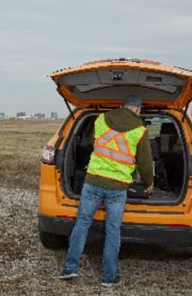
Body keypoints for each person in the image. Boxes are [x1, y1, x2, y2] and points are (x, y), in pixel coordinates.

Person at [57, 94, 154, 286]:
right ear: (137, 110)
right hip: (117, 186)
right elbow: (144, 162)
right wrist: (148, 183)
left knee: (82, 224)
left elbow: (96, 143)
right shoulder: (140, 130)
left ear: (123, 106)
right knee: (113, 230)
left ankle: (70, 268)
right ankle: (108, 277)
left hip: (93, 180)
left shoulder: (101, 119)